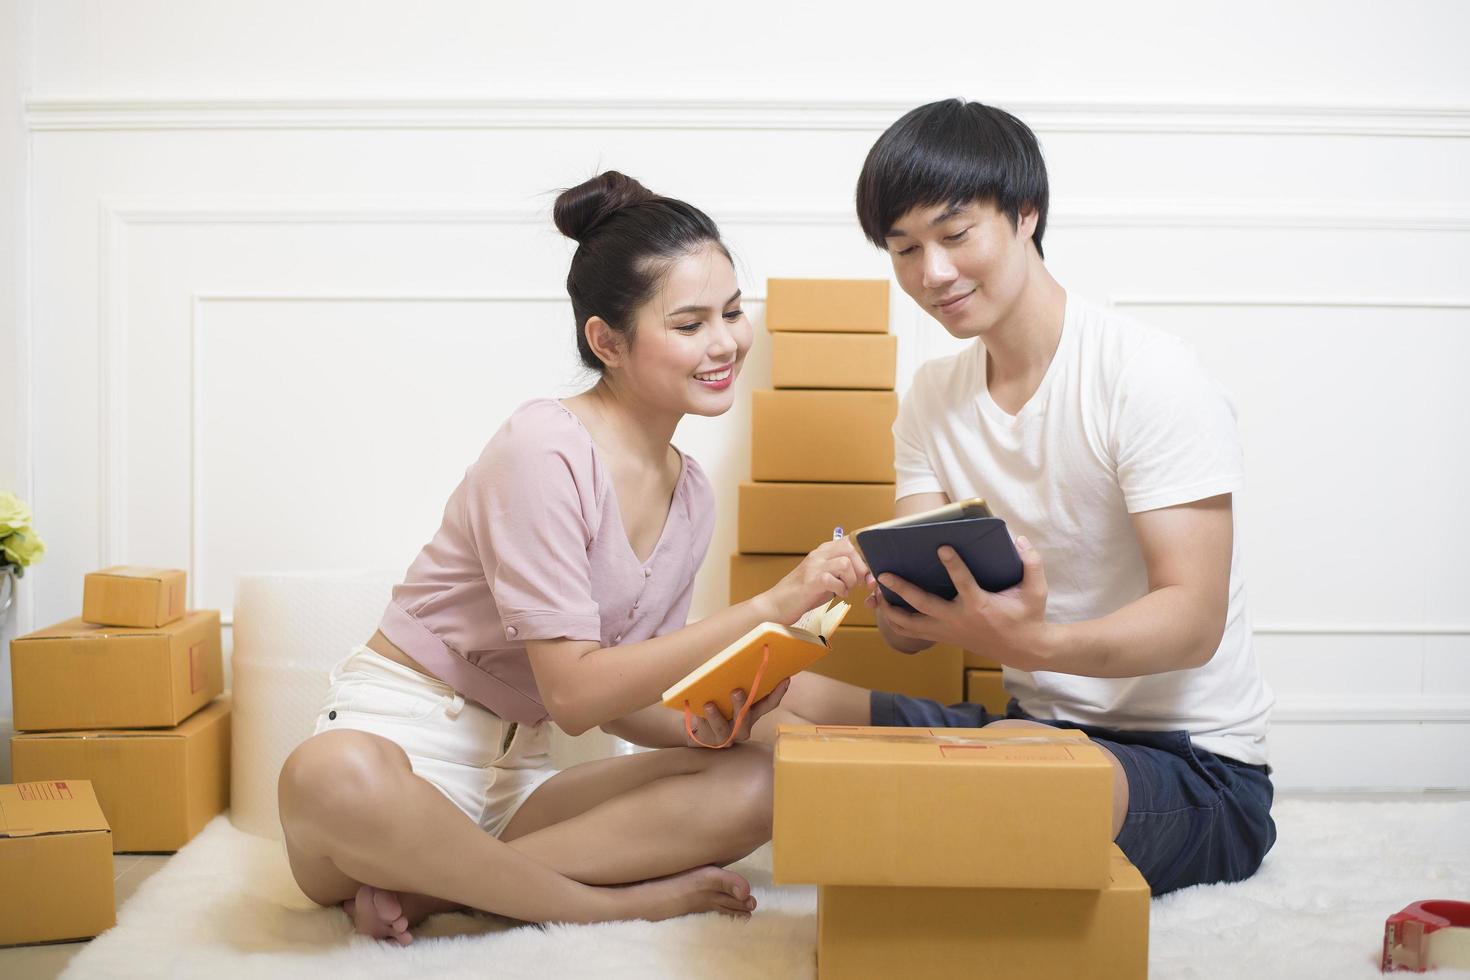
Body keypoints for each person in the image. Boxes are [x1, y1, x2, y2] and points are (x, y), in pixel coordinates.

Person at [278, 171, 869, 943]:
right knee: (330, 776)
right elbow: (576, 695)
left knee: (758, 780)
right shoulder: (543, 447)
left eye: (730, 312)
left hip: (520, 783)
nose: (724, 342)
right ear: (606, 341)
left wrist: (708, 724)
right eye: (689, 323)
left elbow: (624, 696)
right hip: (405, 751)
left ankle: (435, 887)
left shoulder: (689, 494)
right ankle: (602, 903)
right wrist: (766, 607)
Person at [762, 99, 1277, 896]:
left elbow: (1194, 620)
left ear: (1026, 214)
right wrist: (896, 604)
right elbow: (909, 641)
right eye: (905, 249)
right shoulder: (934, 398)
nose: (932, 273)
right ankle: (525, 873)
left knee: (992, 775)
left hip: (1193, 769)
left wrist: (1032, 645)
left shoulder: (1147, 374)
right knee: (753, 698)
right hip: (1030, 732)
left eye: (955, 234)